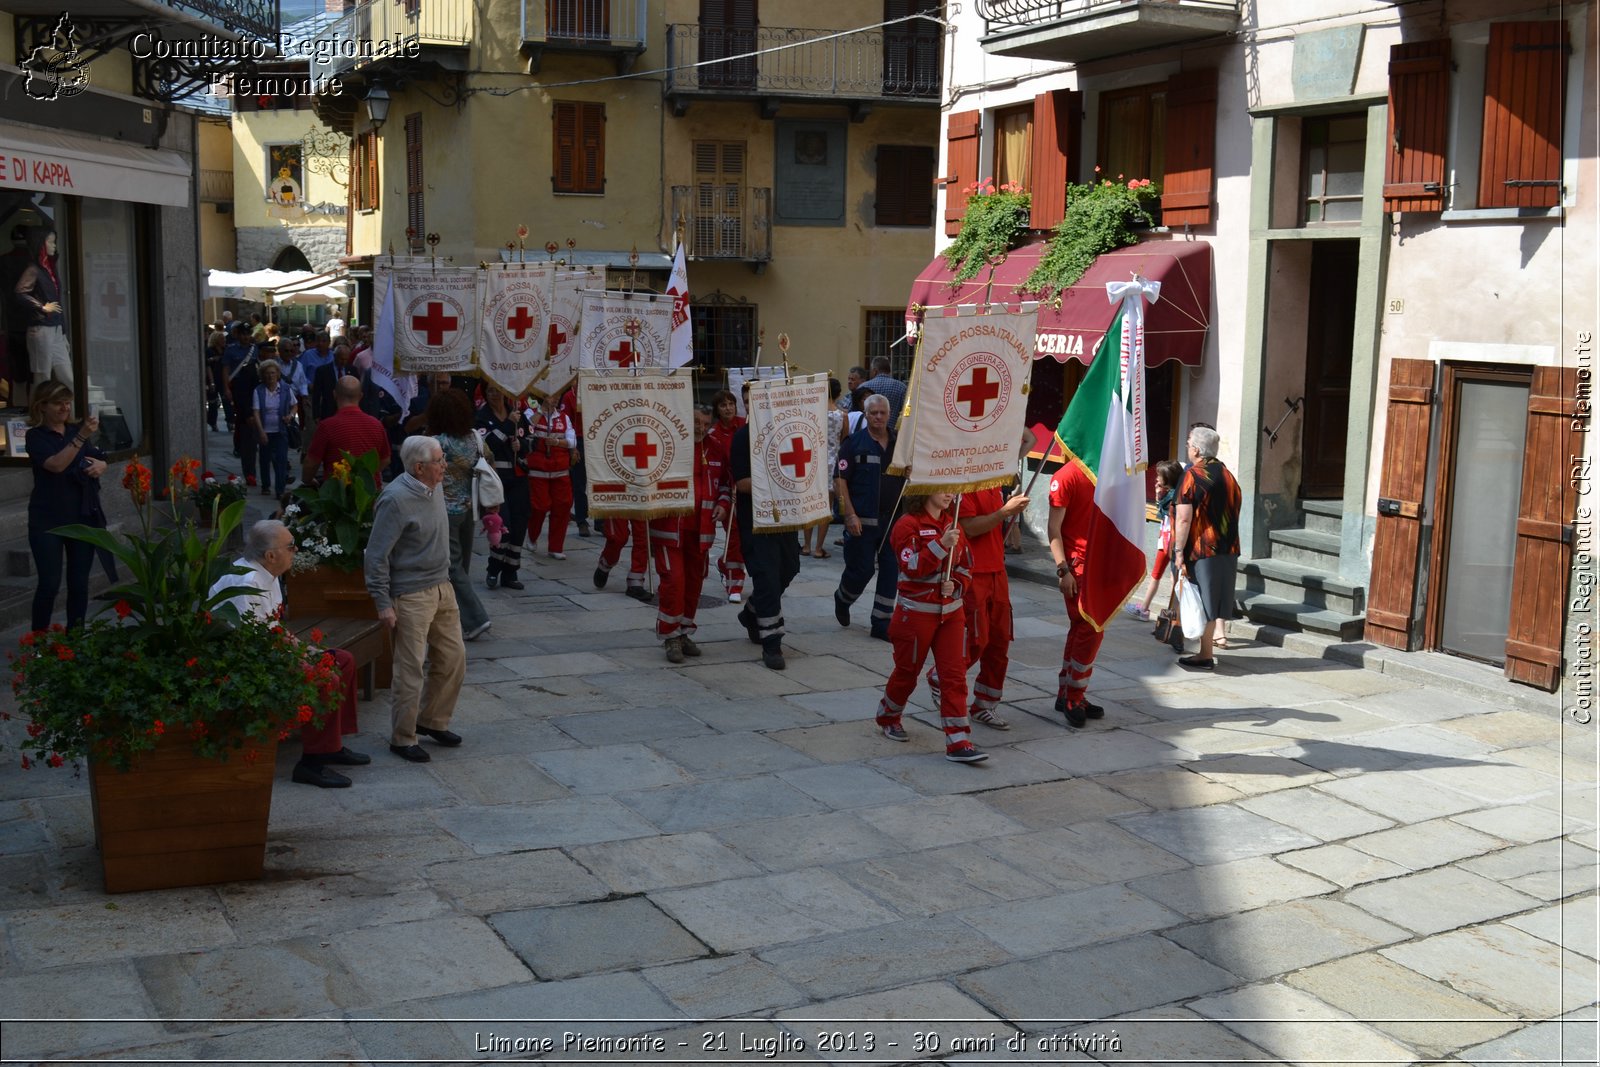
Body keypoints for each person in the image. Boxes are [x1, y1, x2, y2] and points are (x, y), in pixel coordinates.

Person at [209, 520, 369, 788]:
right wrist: (300, 658)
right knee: (324, 676)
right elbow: (250, 641)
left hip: (264, 648)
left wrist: (303, 648)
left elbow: (272, 626)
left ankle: (331, 745)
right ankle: (311, 763)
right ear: (271, 555)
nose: (296, 550)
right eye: (291, 546)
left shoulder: (267, 573)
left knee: (342, 660)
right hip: (242, 660)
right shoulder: (245, 581)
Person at [366, 435, 468, 763]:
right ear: (419, 466)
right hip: (411, 594)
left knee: (453, 658)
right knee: (410, 669)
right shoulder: (395, 499)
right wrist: (383, 602)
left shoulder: (433, 484)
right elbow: (376, 555)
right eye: (439, 461)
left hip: (442, 586)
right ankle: (403, 737)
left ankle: (432, 720)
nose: (445, 466)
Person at [875, 490, 987, 764]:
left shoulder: (954, 523)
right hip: (915, 615)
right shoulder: (907, 525)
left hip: (950, 614)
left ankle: (958, 739)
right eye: (943, 488)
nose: (950, 494)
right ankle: (888, 715)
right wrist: (940, 545)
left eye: (952, 489)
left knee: (954, 675)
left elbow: (966, 566)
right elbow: (910, 565)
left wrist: (957, 584)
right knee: (907, 672)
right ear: (925, 489)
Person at [928, 484, 1031, 731]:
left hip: (997, 571)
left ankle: (986, 705)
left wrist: (1008, 508)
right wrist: (1004, 512)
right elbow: (968, 528)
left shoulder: (993, 484)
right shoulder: (967, 485)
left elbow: (1027, 443)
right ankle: (940, 676)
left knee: (1000, 640)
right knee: (977, 639)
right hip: (974, 573)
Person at [728, 382, 800, 670]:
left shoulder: (786, 434)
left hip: (786, 519)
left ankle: (751, 612)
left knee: (790, 569)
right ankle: (772, 642)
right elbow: (742, 483)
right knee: (767, 578)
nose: (750, 406)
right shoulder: (743, 437)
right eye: (747, 401)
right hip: (757, 522)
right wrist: (774, 482)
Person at [25, 382, 105, 631]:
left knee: (79, 583)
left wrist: (102, 466)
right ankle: (38, 642)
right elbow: (56, 465)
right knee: (49, 584)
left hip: (81, 516)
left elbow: (97, 457)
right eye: (58, 402)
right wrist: (82, 436)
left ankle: (75, 640)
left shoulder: (73, 430)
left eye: (68, 402)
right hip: (47, 519)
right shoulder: (36, 436)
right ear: (43, 406)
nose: (65, 407)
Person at [650, 406, 717, 662]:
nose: (701, 427)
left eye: (705, 422)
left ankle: (685, 630)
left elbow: (723, 484)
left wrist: (722, 505)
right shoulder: (671, 444)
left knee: (694, 583)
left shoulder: (716, 447)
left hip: (700, 531)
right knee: (673, 581)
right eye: (696, 421)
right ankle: (670, 636)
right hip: (670, 528)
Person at [1173, 426, 1242, 671]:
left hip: (1203, 548)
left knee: (1202, 599)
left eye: (1189, 443)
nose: (1187, 447)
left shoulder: (1193, 475)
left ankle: (1205, 654)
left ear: (1196, 450)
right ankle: (1205, 652)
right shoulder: (1227, 475)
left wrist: (1178, 551)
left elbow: (1183, 518)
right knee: (1214, 601)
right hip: (1228, 547)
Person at [427, 387, 493, 642]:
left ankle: (476, 618)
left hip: (444, 510)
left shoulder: (437, 443)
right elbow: (490, 459)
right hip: (470, 509)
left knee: (452, 567)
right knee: (462, 564)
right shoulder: (475, 438)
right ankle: (456, 615)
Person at [833, 394, 901, 640]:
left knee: (890, 571)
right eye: (874, 413)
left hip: (892, 522)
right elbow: (839, 482)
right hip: (861, 522)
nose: (879, 417)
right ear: (866, 414)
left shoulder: (899, 443)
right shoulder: (853, 444)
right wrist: (849, 515)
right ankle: (843, 597)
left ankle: (881, 623)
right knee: (861, 571)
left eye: (883, 413)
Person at [1048, 460, 1108, 729]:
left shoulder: (1104, 473)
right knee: (1090, 629)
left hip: (1098, 565)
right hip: (1077, 567)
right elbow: (1054, 529)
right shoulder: (1066, 476)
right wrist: (1063, 570)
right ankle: (1073, 696)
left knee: (1081, 629)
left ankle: (1068, 693)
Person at [477, 385, 531, 590]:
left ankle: (511, 572)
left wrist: (523, 446)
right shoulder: (482, 416)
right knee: (502, 526)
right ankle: (493, 568)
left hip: (518, 477)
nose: (494, 394)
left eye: (498, 390)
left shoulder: (517, 413)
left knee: (518, 527)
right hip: (495, 478)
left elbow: (530, 441)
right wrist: (508, 426)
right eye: (489, 391)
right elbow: (487, 444)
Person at [13, 226, 72, 393]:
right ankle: (38, 417)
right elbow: (20, 293)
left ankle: (73, 415)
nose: (54, 246)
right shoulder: (34, 270)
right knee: (42, 377)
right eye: (51, 242)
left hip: (56, 328)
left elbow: (58, 301)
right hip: (41, 328)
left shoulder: (50, 270)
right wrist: (42, 306)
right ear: (41, 244)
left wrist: (63, 332)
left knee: (68, 377)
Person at [303, 375, 391, 486]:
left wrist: (308, 481)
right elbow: (385, 459)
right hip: (367, 497)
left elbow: (310, 463)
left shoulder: (327, 426)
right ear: (361, 396)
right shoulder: (376, 424)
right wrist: (367, 475)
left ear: (335, 395)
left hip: (338, 496)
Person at [1128, 459, 1184, 621]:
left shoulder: (1174, 495)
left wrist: (1160, 496)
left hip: (1171, 540)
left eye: (1159, 476)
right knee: (1158, 574)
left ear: (1168, 478)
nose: (1156, 479)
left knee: (1171, 578)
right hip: (1166, 539)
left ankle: (1169, 613)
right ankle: (1149, 609)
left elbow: (1167, 511)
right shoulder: (1170, 493)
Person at [525, 391, 576, 561]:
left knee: (563, 506)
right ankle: (532, 535)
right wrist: (541, 411)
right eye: (550, 396)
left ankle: (555, 547)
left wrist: (557, 442)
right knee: (539, 507)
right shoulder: (531, 413)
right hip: (538, 470)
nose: (553, 399)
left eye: (555, 396)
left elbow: (572, 439)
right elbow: (527, 429)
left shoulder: (564, 417)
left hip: (560, 470)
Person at [705, 389, 745, 603]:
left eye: (731, 403)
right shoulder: (713, 436)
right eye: (723, 405)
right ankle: (734, 583)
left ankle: (723, 563)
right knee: (734, 537)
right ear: (717, 410)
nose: (728, 408)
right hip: (728, 493)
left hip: (748, 489)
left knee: (748, 540)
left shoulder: (746, 424)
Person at [802, 378, 844, 558]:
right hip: (832, 461)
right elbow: (844, 439)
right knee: (826, 506)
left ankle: (806, 545)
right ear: (838, 394)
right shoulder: (842, 415)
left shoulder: (812, 413)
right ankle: (818, 548)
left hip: (812, 460)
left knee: (810, 504)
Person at [250, 359, 297, 499]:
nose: (270, 376)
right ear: (263, 376)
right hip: (265, 430)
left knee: (281, 460)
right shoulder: (258, 391)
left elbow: (295, 405)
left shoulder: (285, 389)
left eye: (273, 373)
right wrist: (261, 431)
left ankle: (280, 489)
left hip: (280, 430)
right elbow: (256, 412)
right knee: (265, 459)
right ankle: (265, 485)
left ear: (278, 374)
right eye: (267, 373)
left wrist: (291, 415)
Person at [224, 324, 261, 482]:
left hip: (253, 389)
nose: (246, 337)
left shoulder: (255, 349)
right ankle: (239, 445)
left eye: (248, 334)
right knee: (242, 421)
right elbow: (225, 370)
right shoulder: (231, 350)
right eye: (243, 334)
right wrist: (226, 389)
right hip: (238, 389)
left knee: (248, 425)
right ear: (238, 335)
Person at [595, 517, 652, 602]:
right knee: (617, 538)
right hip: (617, 504)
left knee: (643, 536)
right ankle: (606, 562)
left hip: (641, 504)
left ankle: (635, 581)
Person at [560, 386, 591, 537]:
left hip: (595, 438)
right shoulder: (569, 396)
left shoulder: (596, 389)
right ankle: (582, 520)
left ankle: (601, 521)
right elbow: (567, 424)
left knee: (599, 481)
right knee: (579, 483)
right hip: (579, 439)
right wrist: (573, 447)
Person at [859, 355, 907, 432]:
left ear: (874, 371)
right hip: (893, 434)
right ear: (889, 371)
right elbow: (906, 412)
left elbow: (854, 410)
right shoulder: (901, 387)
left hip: (868, 433)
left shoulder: (863, 387)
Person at [204, 330, 229, 432]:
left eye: (224, 338)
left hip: (223, 379)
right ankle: (213, 422)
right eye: (221, 338)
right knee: (213, 403)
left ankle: (230, 421)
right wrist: (212, 382)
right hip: (212, 379)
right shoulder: (209, 351)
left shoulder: (226, 350)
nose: (224, 340)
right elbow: (208, 366)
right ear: (216, 340)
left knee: (226, 401)